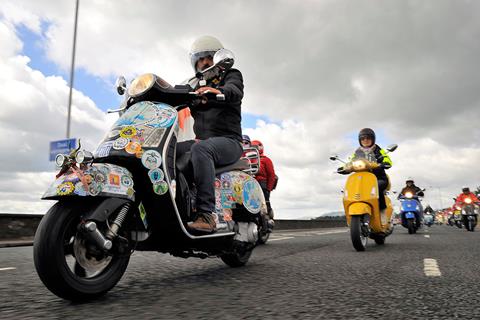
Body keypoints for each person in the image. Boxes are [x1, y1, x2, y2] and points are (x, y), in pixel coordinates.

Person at [178, 35, 244, 234]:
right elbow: (174, 94)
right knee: (168, 150)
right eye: (200, 59)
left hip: (229, 141)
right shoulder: (193, 85)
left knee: (201, 149)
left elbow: (234, 91)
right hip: (202, 142)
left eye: (209, 57)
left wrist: (216, 91)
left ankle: (206, 215)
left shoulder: (231, 75)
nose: (205, 62)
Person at [339, 128, 392, 212]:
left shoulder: (379, 150)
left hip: (378, 177)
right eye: (363, 139)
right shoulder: (357, 152)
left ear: (372, 139)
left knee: (377, 187)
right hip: (362, 179)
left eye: (368, 138)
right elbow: (350, 162)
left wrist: (384, 163)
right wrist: (344, 168)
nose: (365, 140)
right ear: (360, 141)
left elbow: (387, 159)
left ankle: (382, 210)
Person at [251, 140, 276, 213]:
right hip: (251, 185)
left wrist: (268, 189)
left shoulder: (266, 160)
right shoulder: (248, 160)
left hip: (262, 185)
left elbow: (271, 175)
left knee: (265, 205)